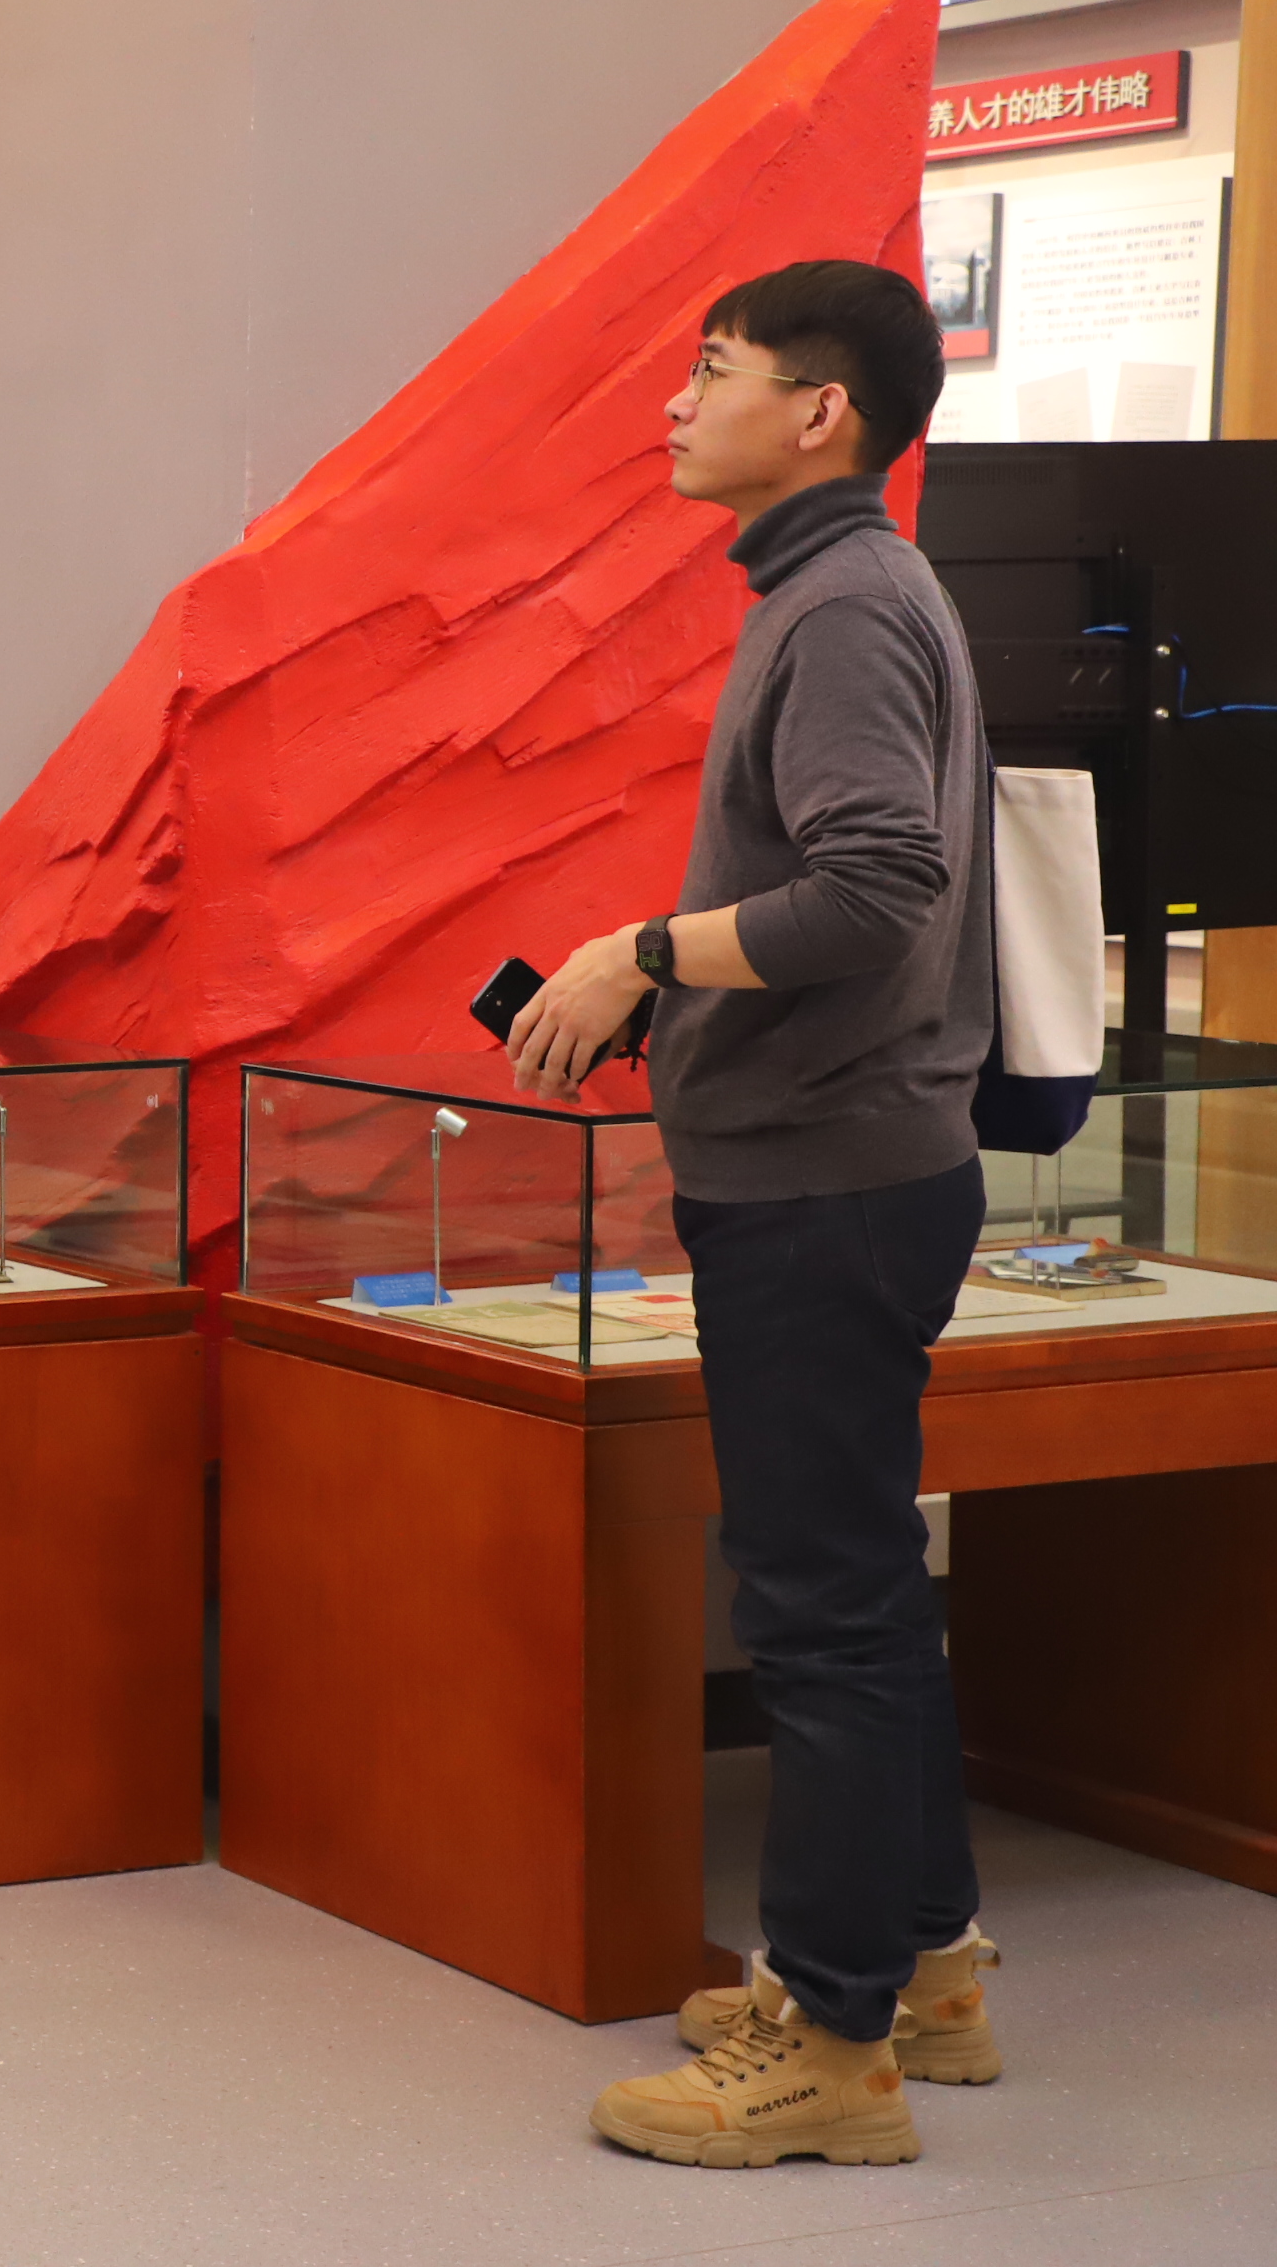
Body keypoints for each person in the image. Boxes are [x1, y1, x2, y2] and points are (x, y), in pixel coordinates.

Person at [506, 263, 998, 2172]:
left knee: (823, 1611)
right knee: (864, 1585)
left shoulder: (849, 605)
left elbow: (876, 887)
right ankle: (923, 1967)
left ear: (819, 411)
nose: (675, 401)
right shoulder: (839, 587)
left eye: (709, 370)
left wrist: (639, 952)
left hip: (826, 1181)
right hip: (836, 1162)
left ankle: (835, 2045)